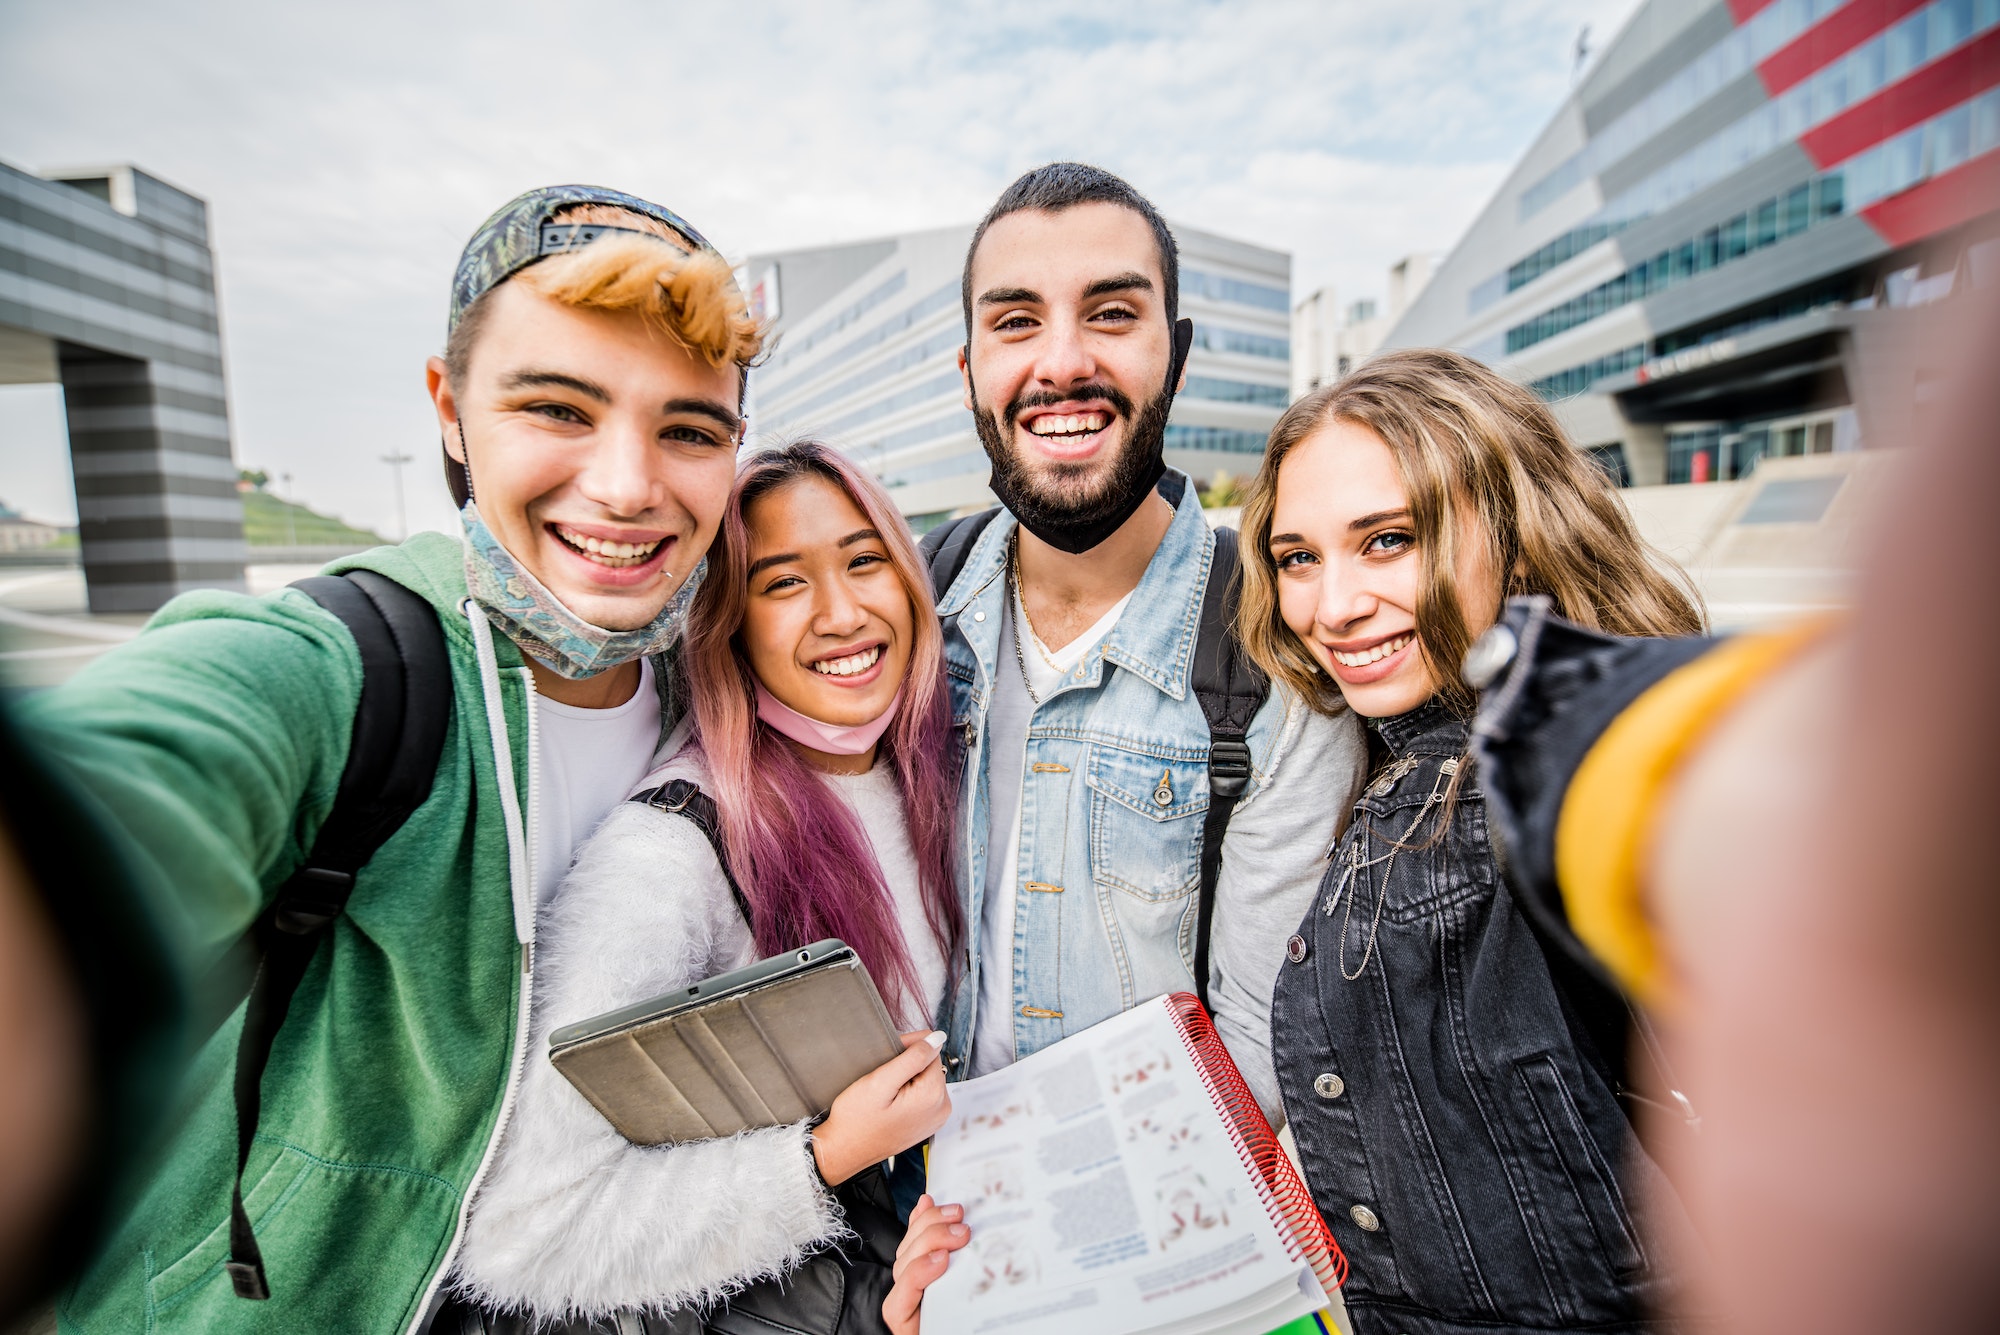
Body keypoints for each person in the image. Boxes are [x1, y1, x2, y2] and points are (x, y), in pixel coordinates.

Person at [18, 185, 763, 1333]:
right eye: (557, 409)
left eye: (689, 429)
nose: (626, 486)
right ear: (450, 410)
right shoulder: (341, 669)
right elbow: (145, 775)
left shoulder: (709, 688)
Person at [435, 440, 960, 1332]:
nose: (841, 613)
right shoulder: (670, 853)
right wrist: (821, 1157)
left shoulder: (929, 774)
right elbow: (525, 1234)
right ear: (729, 621)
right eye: (784, 582)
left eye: (864, 561)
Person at [1233, 348, 1707, 1333]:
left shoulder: (1572, 755)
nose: (1330, 607)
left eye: (1387, 540)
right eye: (1297, 557)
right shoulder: (1380, 762)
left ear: (1516, 532)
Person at [925, 162, 1367, 1114]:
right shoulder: (908, 610)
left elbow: (1256, 1057)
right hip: (908, 1215)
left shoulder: (1274, 648)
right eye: (1015, 322)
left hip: (1146, 1215)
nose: (1062, 362)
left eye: (1114, 314)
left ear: (1178, 352)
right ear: (969, 374)